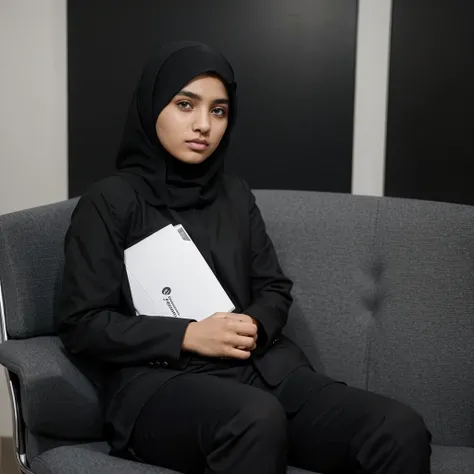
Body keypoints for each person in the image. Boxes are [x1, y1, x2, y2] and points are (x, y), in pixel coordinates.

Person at [58, 41, 432, 474]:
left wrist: (252, 325)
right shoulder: (110, 201)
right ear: (152, 106)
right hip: (159, 384)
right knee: (255, 419)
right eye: (185, 105)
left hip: (261, 371)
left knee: (397, 427)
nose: (203, 125)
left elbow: (273, 288)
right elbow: (82, 324)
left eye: (218, 111)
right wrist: (189, 336)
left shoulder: (234, 194)